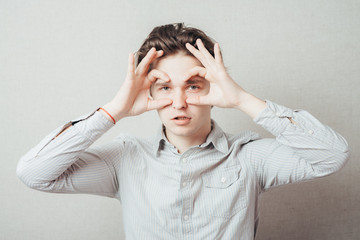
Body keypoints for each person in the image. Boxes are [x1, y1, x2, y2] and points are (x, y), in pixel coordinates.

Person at [16, 23, 350, 239]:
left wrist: (242, 99)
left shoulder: (249, 158)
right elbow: (34, 173)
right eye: (164, 88)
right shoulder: (125, 158)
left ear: (215, 87)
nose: (178, 102)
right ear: (149, 93)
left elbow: (331, 156)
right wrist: (113, 111)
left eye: (193, 86)